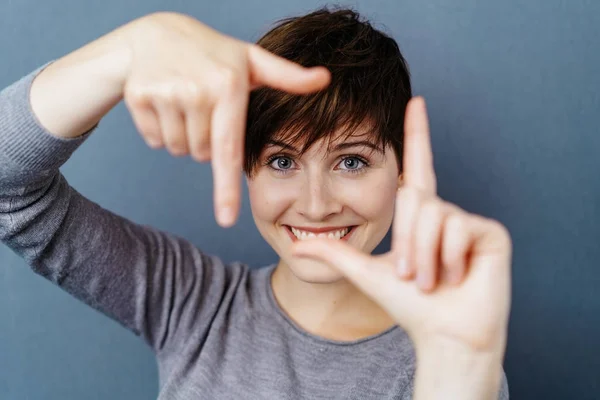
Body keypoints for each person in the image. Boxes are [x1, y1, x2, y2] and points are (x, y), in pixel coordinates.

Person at [0, 7, 511, 400]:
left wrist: (456, 373)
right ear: (246, 168)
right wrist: (131, 48)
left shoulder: (450, 354)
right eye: (283, 162)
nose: (316, 205)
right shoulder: (192, 302)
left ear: (402, 171)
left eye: (351, 162)